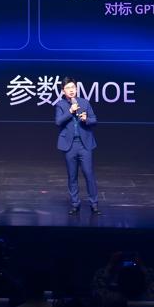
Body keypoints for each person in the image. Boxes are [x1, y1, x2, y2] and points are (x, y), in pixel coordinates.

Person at [54, 76, 100, 215]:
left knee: (88, 174)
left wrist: (86, 119)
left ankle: (94, 203)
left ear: (77, 88)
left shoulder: (84, 102)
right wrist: (70, 111)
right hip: (69, 145)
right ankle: (75, 204)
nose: (71, 90)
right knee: (72, 176)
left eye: (73, 87)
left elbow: (94, 120)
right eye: (68, 88)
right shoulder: (60, 105)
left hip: (84, 144)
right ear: (63, 91)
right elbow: (58, 122)